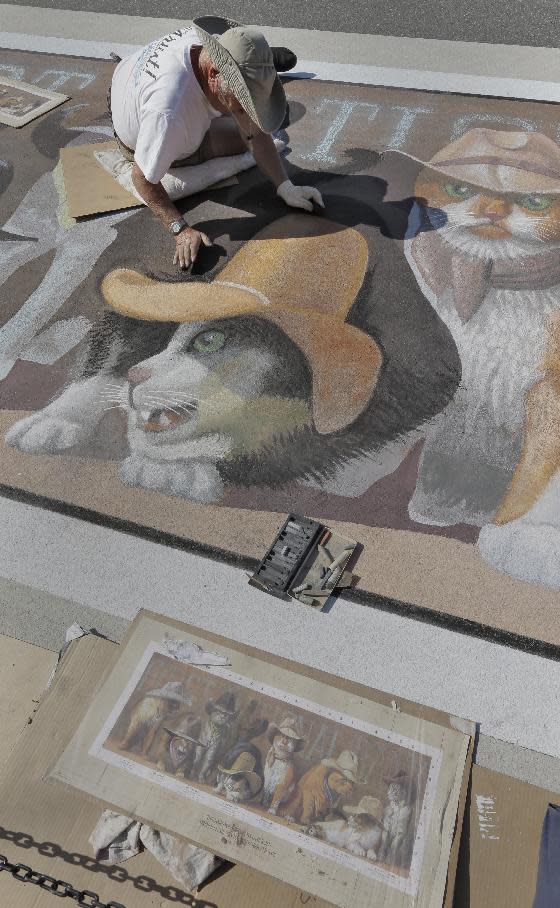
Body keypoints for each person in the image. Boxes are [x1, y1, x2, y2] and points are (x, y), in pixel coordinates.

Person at [109, 16, 324, 270]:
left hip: (130, 72)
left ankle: (256, 68)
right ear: (213, 73)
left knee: (248, 118)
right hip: (134, 121)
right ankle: (256, 74)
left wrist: (286, 186)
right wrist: (180, 229)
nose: (246, 111)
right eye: (243, 100)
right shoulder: (170, 117)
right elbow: (142, 178)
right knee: (240, 134)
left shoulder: (204, 43)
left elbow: (254, 130)